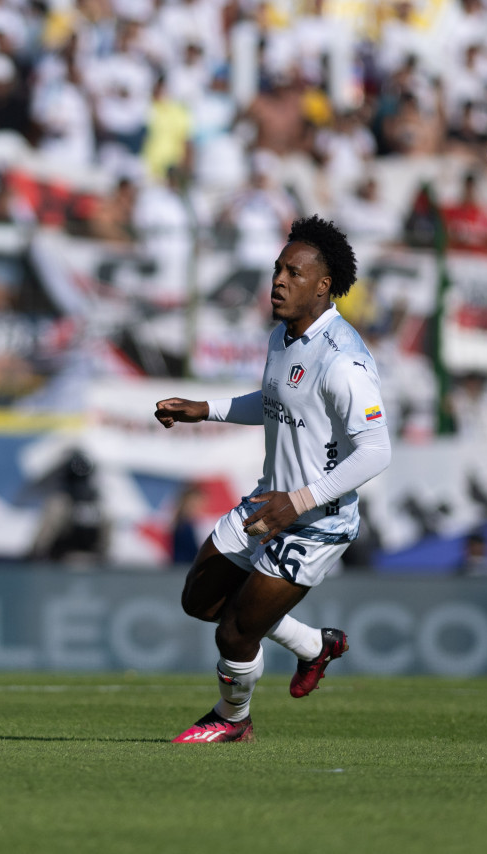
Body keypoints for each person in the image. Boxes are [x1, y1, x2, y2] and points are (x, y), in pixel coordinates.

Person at [154, 215, 391, 743]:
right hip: (268, 503)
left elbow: (377, 451)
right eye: (277, 269)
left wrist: (299, 502)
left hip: (315, 523)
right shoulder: (283, 337)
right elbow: (273, 402)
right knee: (201, 599)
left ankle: (232, 721)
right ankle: (313, 645)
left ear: (323, 285)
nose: (278, 280)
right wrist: (205, 409)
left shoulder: (343, 361)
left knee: (236, 631)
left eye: (293, 272)